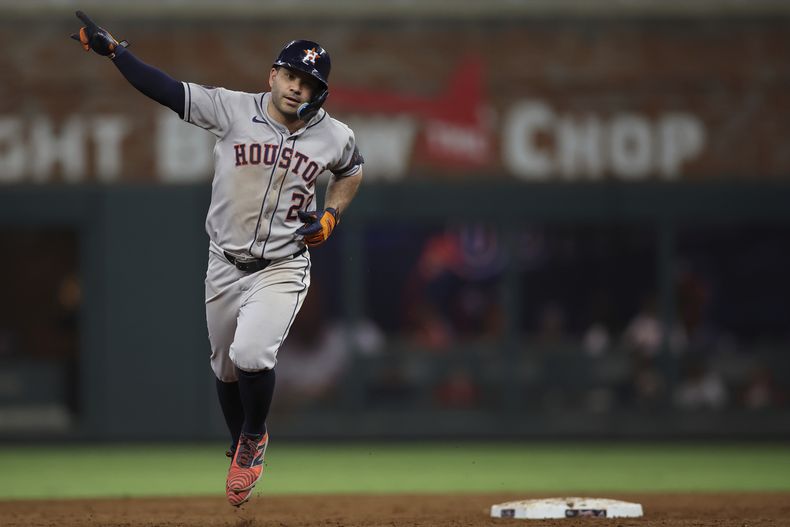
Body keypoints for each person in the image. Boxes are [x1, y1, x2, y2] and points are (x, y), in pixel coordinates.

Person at [71, 12, 364, 506]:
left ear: (320, 93)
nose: (297, 87)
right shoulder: (232, 109)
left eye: (309, 83)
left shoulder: (334, 135)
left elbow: (351, 171)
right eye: (291, 75)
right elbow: (166, 90)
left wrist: (332, 215)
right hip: (225, 264)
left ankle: (253, 438)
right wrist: (118, 52)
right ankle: (239, 444)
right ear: (273, 75)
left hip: (282, 265)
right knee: (226, 370)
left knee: (251, 354)